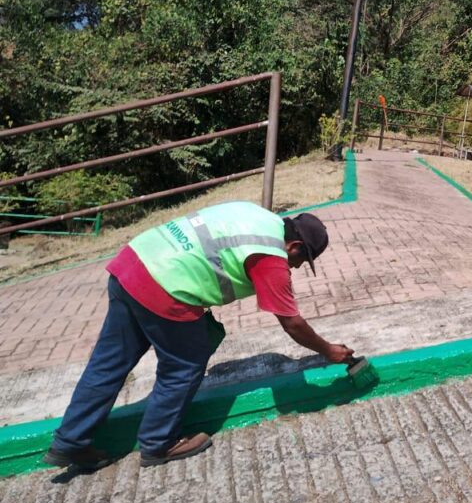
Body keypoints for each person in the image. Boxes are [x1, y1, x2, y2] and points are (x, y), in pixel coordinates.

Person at [45, 200, 359, 470]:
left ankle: (70, 441)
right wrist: (328, 350)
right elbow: (292, 323)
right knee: (184, 364)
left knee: (108, 362)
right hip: (167, 287)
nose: (296, 267)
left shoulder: (256, 214)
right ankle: (158, 443)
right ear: (295, 247)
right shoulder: (270, 257)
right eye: (301, 261)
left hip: (133, 262)